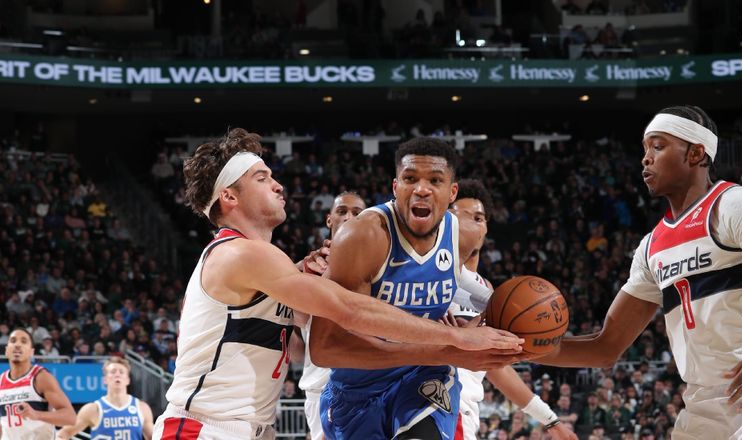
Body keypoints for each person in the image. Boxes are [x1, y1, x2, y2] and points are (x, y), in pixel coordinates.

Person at [152, 129, 520, 440]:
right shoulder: (242, 254)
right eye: (261, 178)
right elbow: (349, 308)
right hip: (204, 428)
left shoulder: (258, 264)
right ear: (229, 197)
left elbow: (293, 352)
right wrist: (454, 339)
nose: (278, 185)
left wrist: (302, 279)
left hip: (246, 427)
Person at [539, 105, 742, 439]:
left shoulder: (734, 204)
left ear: (696, 153)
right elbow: (606, 347)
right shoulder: (651, 246)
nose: (646, 158)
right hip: (704, 406)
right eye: (645, 149)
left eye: (658, 146)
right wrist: (531, 349)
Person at [312, 138, 524, 440]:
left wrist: (488, 324)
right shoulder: (363, 236)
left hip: (425, 377)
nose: (422, 189)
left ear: (452, 193)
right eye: (411, 179)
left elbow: (476, 295)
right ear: (396, 186)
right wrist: (450, 347)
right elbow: (324, 349)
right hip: (357, 391)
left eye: (435, 180)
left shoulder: (462, 236)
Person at [448, 179, 576, 440]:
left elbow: (495, 366)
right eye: (463, 215)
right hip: (437, 402)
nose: (475, 223)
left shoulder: (490, 293)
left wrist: (550, 420)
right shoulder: (426, 274)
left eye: (480, 217)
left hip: (466, 414)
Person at [290, 191, 368, 440]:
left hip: (369, 382)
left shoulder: (378, 267)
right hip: (323, 383)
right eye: (342, 211)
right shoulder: (311, 266)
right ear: (329, 219)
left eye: (357, 213)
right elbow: (299, 320)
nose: (349, 216)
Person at [0, 328, 76, 439]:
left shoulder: (41, 378)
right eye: (13, 340)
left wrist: (36, 414)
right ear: (7, 350)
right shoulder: (1, 381)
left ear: (32, 352)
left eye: (24, 341)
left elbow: (70, 417)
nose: (17, 345)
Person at [57, 356, 154, 440]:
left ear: (128, 380)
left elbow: (153, 437)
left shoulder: (142, 408)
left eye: (121, 372)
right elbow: (63, 434)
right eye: (113, 372)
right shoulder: (93, 409)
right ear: (105, 379)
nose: (117, 374)